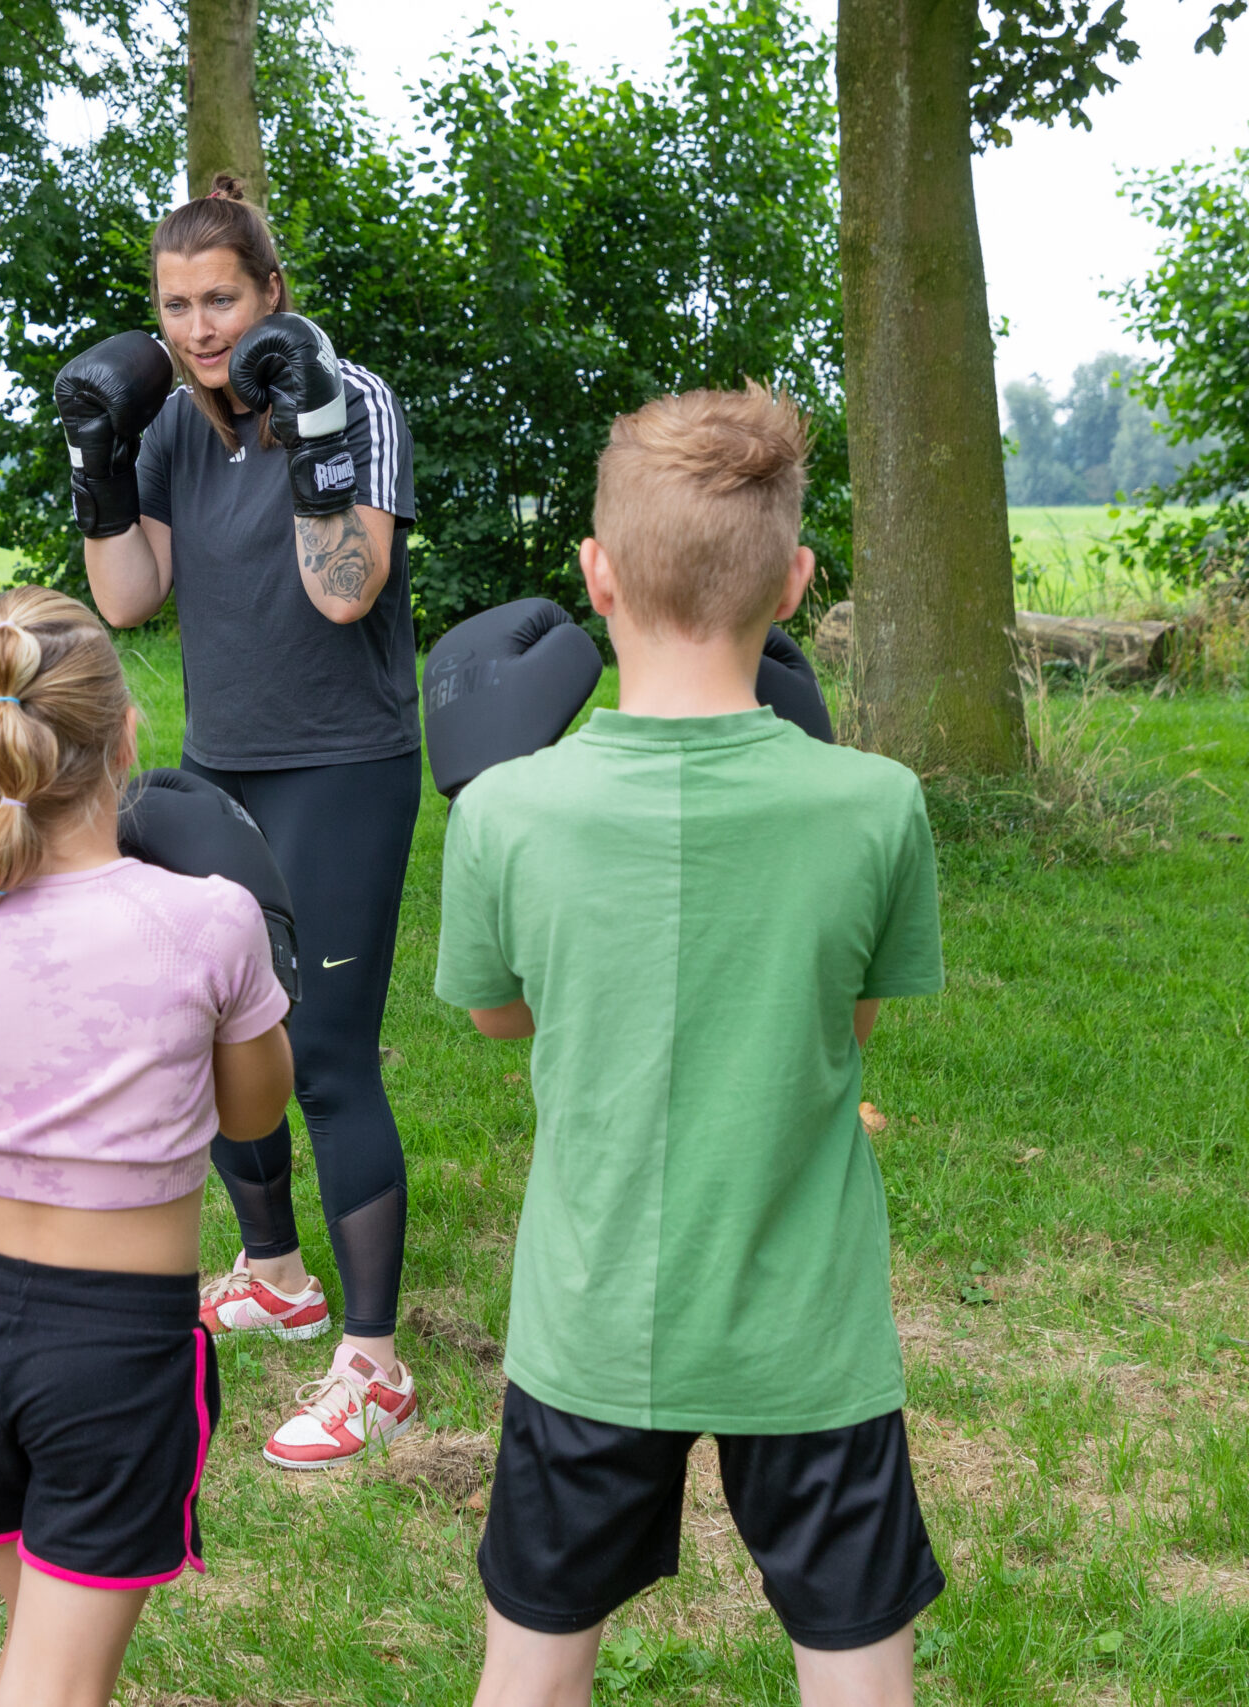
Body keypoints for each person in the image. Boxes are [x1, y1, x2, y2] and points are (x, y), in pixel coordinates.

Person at [434, 387, 947, 1705]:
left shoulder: (504, 810)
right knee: (858, 1672)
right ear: (795, 584)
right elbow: (849, 1031)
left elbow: (502, 1013)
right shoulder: (875, 803)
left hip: (595, 1315)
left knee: (531, 1666)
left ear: (596, 576)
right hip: (809, 1331)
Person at [59, 173, 424, 1468]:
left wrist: (315, 423)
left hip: (341, 763)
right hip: (223, 762)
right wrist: (99, 467)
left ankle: (374, 1363)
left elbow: (346, 591)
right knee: (214, 1028)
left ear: (268, 292)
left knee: (324, 1053)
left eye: (222, 296)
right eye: (177, 304)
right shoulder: (167, 424)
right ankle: (276, 1272)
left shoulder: (354, 395)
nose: (202, 325)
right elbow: (129, 600)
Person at [0, 587, 296, 1706]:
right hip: (110, 1343)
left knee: (43, 1654)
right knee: (52, 1687)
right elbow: (254, 1122)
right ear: (127, 738)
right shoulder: (207, 919)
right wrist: (258, 971)